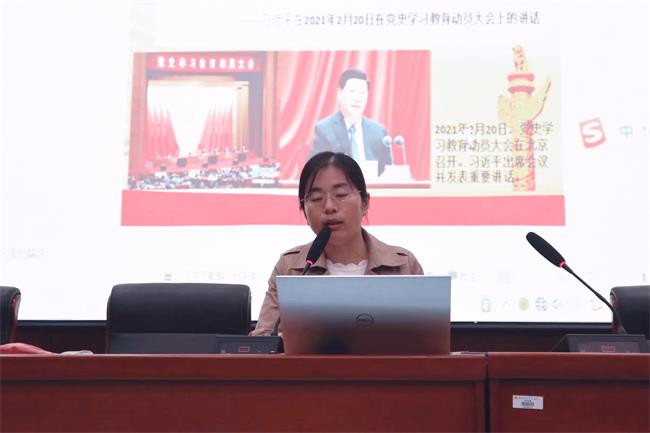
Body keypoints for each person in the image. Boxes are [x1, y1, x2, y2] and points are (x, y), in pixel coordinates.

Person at [251, 152, 423, 336]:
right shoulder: (291, 268)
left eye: (341, 195)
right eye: (316, 198)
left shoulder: (403, 265)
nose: (329, 207)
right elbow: (263, 341)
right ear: (304, 211)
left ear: (365, 203)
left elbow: (428, 341)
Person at [311, 69, 393, 177]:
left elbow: (389, 171)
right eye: (352, 91)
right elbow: (316, 170)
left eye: (362, 93)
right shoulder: (324, 129)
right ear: (340, 94)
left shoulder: (379, 132)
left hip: (372, 186)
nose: (357, 98)